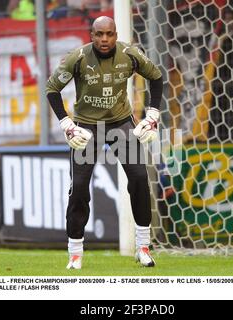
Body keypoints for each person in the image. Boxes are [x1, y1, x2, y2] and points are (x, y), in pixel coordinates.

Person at [46, 16, 163, 269]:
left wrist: (153, 114)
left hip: (121, 123)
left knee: (140, 179)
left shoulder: (130, 54)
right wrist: (66, 123)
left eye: (109, 34)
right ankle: (75, 253)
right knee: (78, 187)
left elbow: (157, 77)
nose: (105, 39)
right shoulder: (76, 57)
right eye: (99, 34)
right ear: (91, 34)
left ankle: (143, 247)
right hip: (87, 127)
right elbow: (52, 89)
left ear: (116, 34)